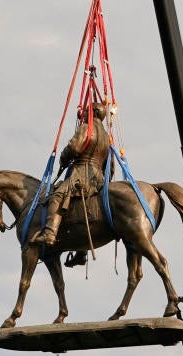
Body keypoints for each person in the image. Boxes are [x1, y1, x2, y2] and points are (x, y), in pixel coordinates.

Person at [30, 99, 113, 246]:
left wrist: (63, 158)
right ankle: (80, 253)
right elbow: (110, 166)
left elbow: (74, 148)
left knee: (57, 196)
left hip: (81, 174)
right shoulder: (107, 137)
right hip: (98, 178)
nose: (85, 113)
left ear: (92, 112)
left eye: (87, 110)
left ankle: (49, 232)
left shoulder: (86, 128)